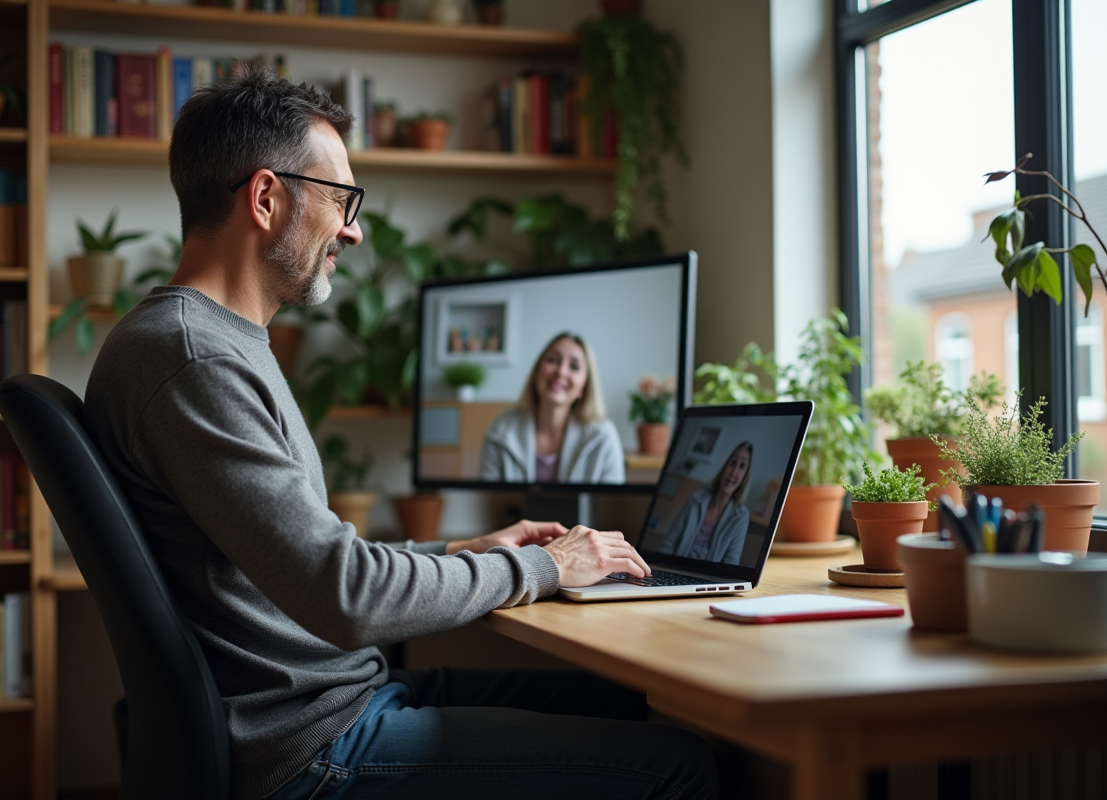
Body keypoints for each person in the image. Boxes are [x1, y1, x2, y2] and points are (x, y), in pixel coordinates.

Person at [83, 70, 716, 800]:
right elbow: (346, 593)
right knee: (680, 765)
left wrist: (457, 550)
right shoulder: (195, 359)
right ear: (265, 198)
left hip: (329, 700)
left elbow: (306, 563)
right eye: (341, 199)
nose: (352, 229)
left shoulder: (207, 343)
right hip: (312, 746)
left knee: (639, 706)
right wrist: (548, 568)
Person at [479, 332, 625, 484]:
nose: (561, 371)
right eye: (553, 360)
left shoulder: (603, 437)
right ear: (537, 372)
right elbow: (486, 500)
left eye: (574, 367)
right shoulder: (501, 430)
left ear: (585, 387)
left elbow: (612, 505)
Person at [658, 442, 754, 565]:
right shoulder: (696, 498)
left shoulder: (741, 516)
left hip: (707, 579)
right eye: (733, 463)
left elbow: (731, 563)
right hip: (677, 569)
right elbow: (669, 542)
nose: (734, 472)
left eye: (742, 466)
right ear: (725, 466)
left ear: (745, 476)